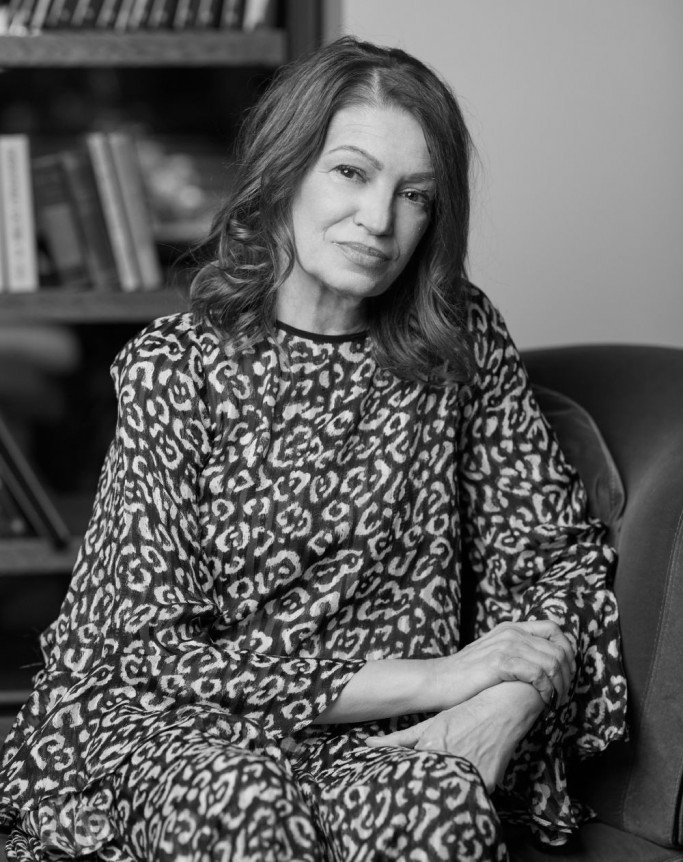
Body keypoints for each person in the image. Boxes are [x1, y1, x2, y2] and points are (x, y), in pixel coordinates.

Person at [0, 37, 627, 862]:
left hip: (385, 739)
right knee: (243, 803)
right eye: (350, 173)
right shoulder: (174, 365)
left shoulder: (458, 340)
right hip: (182, 729)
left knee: (444, 813)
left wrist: (498, 704)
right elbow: (153, 654)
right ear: (285, 172)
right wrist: (438, 677)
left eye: (415, 194)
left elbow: (555, 563)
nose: (378, 220)